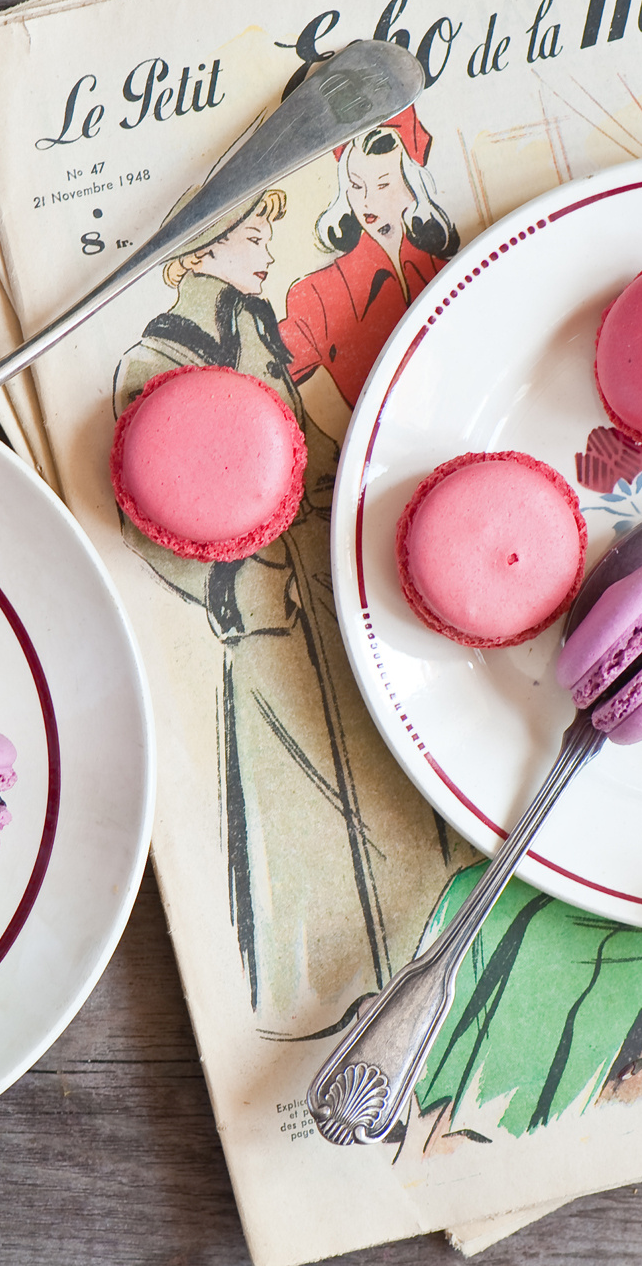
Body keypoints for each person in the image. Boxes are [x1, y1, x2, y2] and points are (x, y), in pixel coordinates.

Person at [112, 190, 457, 1035]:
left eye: (267, 222)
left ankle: (412, 968)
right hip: (269, 622)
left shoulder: (255, 329)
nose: (268, 238)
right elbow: (161, 532)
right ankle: (318, 997)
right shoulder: (157, 359)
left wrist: (357, 492)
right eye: (248, 228)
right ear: (192, 254)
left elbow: (307, 445)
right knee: (302, 813)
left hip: (325, 595)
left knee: (379, 792)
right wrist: (256, 592)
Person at [281, 107, 461, 407]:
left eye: (382, 185)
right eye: (355, 185)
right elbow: (272, 376)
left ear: (411, 187)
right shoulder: (316, 296)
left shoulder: (454, 277)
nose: (366, 201)